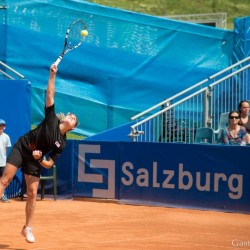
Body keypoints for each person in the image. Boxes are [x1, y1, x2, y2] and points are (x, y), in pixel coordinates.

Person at [0, 63, 78, 243]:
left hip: (35, 158)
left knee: (33, 192)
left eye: (73, 119)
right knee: (5, 180)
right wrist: (52, 75)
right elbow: (50, 93)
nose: (70, 116)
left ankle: (27, 228)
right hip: (23, 146)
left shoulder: (62, 143)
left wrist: (40, 158)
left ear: (72, 126)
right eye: (70, 115)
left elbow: (50, 163)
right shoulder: (51, 118)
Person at [0, 119, 11, 203]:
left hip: (2, 162)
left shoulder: (6, 137)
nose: (1, 127)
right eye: (0, 125)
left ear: (5, 127)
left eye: (2, 125)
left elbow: (6, 149)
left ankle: (2, 195)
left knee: (2, 180)